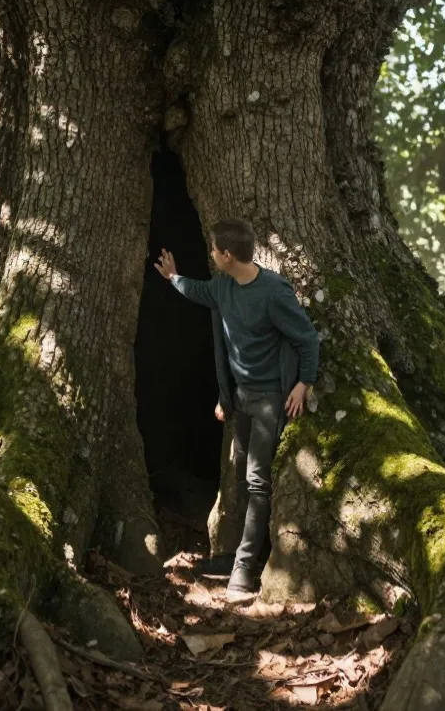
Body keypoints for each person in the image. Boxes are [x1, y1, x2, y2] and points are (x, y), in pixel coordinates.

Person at [153, 218, 319, 603]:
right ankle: (234, 557)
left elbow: (307, 338)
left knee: (258, 483)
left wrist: (302, 383)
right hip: (240, 397)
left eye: (213, 250)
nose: (210, 254)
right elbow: (197, 291)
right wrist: (173, 277)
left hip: (270, 400)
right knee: (240, 477)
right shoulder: (224, 287)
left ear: (228, 255)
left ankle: (244, 572)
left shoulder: (274, 292)